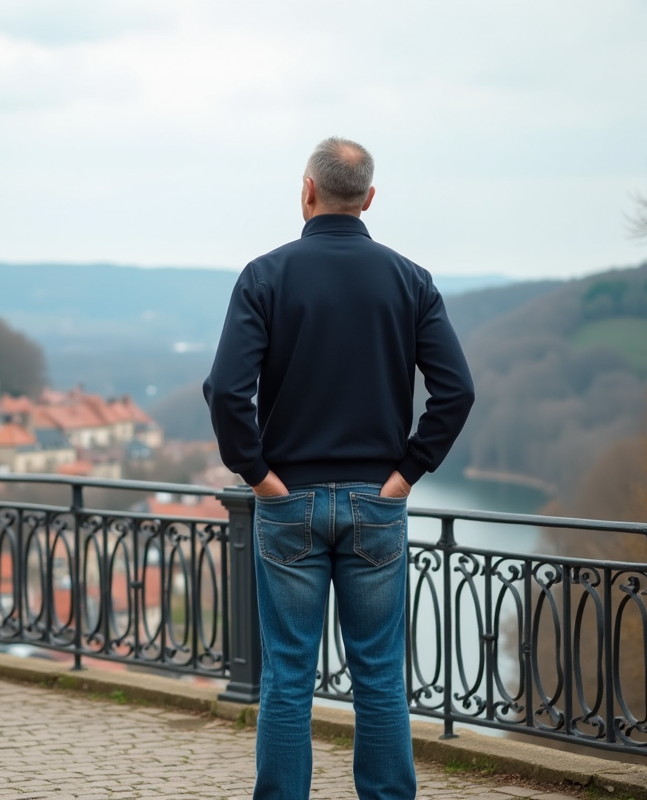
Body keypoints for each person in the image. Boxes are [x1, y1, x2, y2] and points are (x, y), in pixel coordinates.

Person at [203, 136, 475, 800]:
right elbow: (456, 391)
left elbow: (226, 391)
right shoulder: (409, 280)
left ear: (307, 191)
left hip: (288, 499)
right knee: (379, 675)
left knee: (288, 676)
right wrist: (407, 475)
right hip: (375, 503)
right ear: (369, 199)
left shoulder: (266, 276)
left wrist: (259, 476)